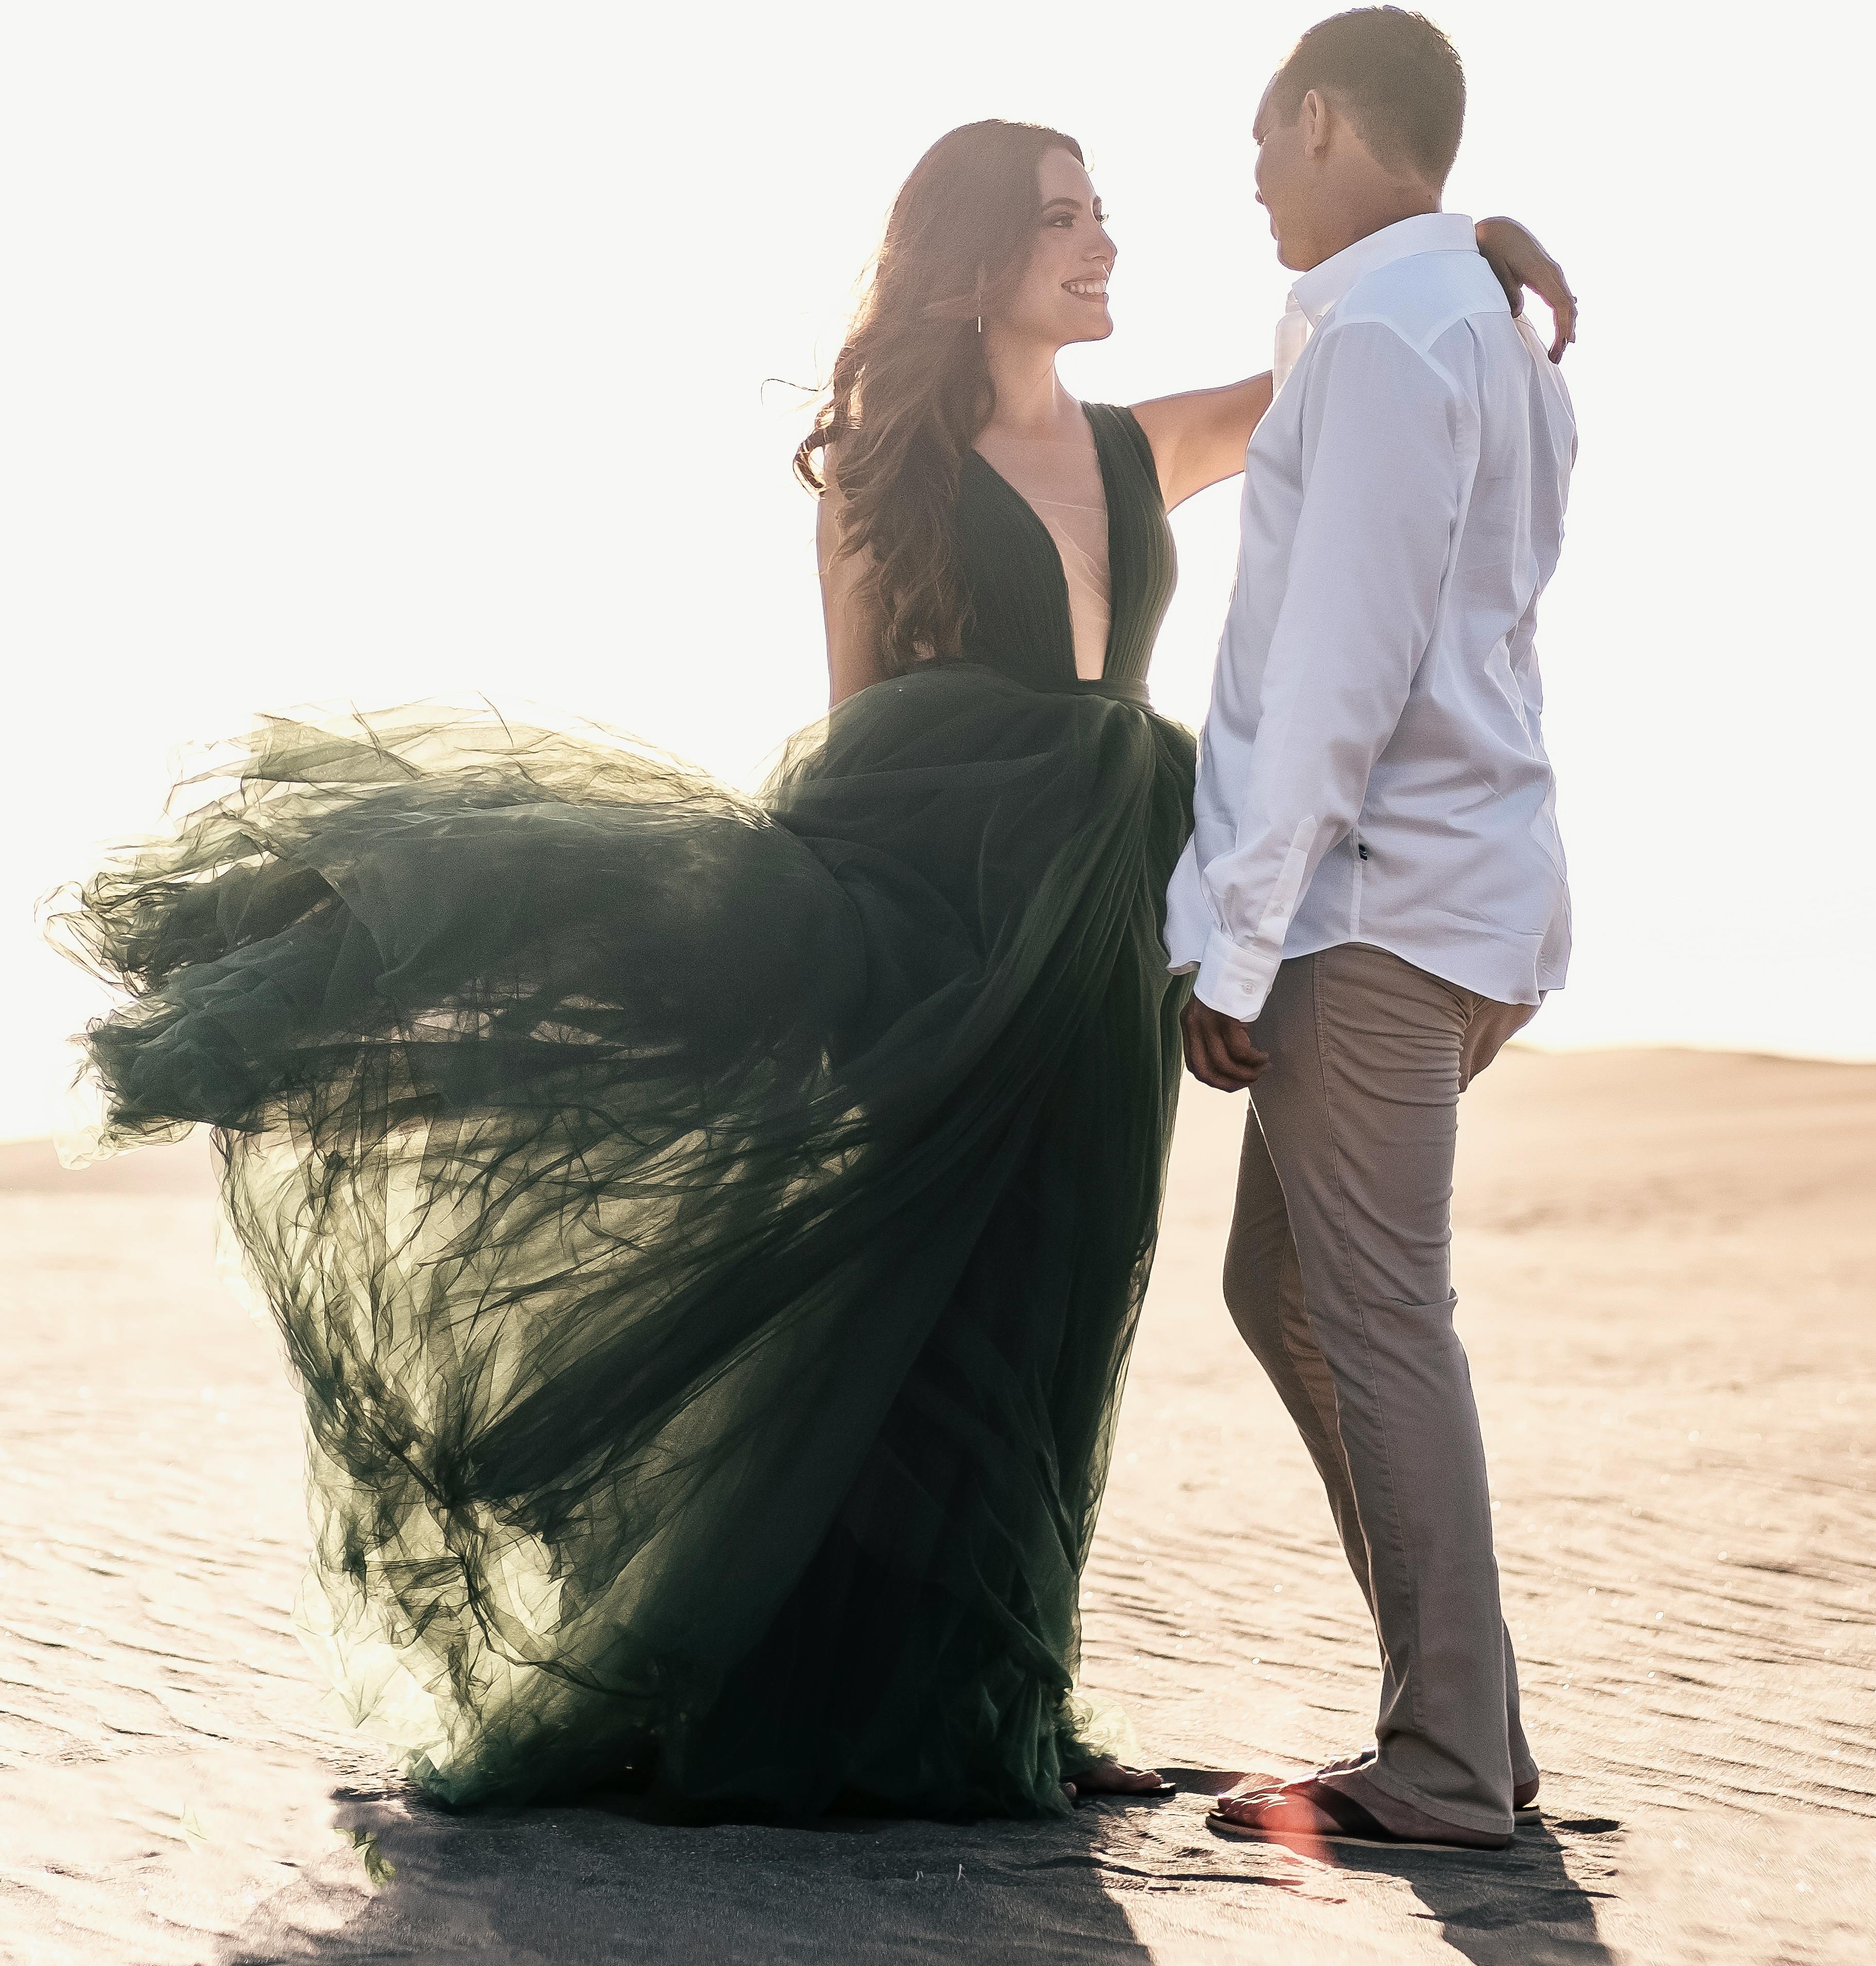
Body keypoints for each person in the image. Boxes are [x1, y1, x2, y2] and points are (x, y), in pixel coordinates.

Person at [57, 111, 1570, 1826]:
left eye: (1104, 215)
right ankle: (846, 1703)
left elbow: (1356, 366)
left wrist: (1476, 247)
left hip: (1098, 938)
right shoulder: (882, 464)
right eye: (1065, 220)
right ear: (975, 257)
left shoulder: (1145, 444)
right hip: (936, 914)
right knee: (912, 1312)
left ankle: (991, 1696)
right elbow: (864, 732)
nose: (1103, 246)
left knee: (1055, 1313)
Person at [1167, 7, 1578, 1856]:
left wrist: (1239, 948)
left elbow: (1343, 671)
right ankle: (1467, 1717)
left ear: (1323, 119)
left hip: (1369, 910)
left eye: (1263, 145)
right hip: (1443, 897)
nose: (1252, 183)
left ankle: (1444, 1763)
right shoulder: (1453, 322)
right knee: (1293, 1291)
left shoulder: (1405, 341)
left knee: (1377, 1311)